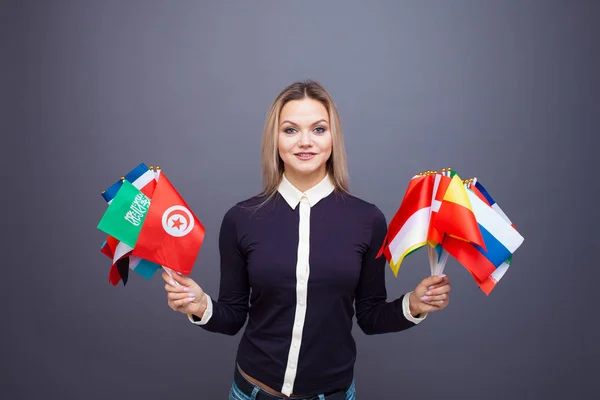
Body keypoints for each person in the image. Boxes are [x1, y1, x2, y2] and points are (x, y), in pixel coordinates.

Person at [162, 80, 451, 399]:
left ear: (333, 138)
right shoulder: (241, 218)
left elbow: (369, 315)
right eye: (290, 130)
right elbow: (232, 316)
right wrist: (201, 305)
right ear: (275, 139)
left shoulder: (367, 220)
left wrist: (414, 304)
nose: (304, 142)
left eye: (318, 129)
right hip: (252, 391)